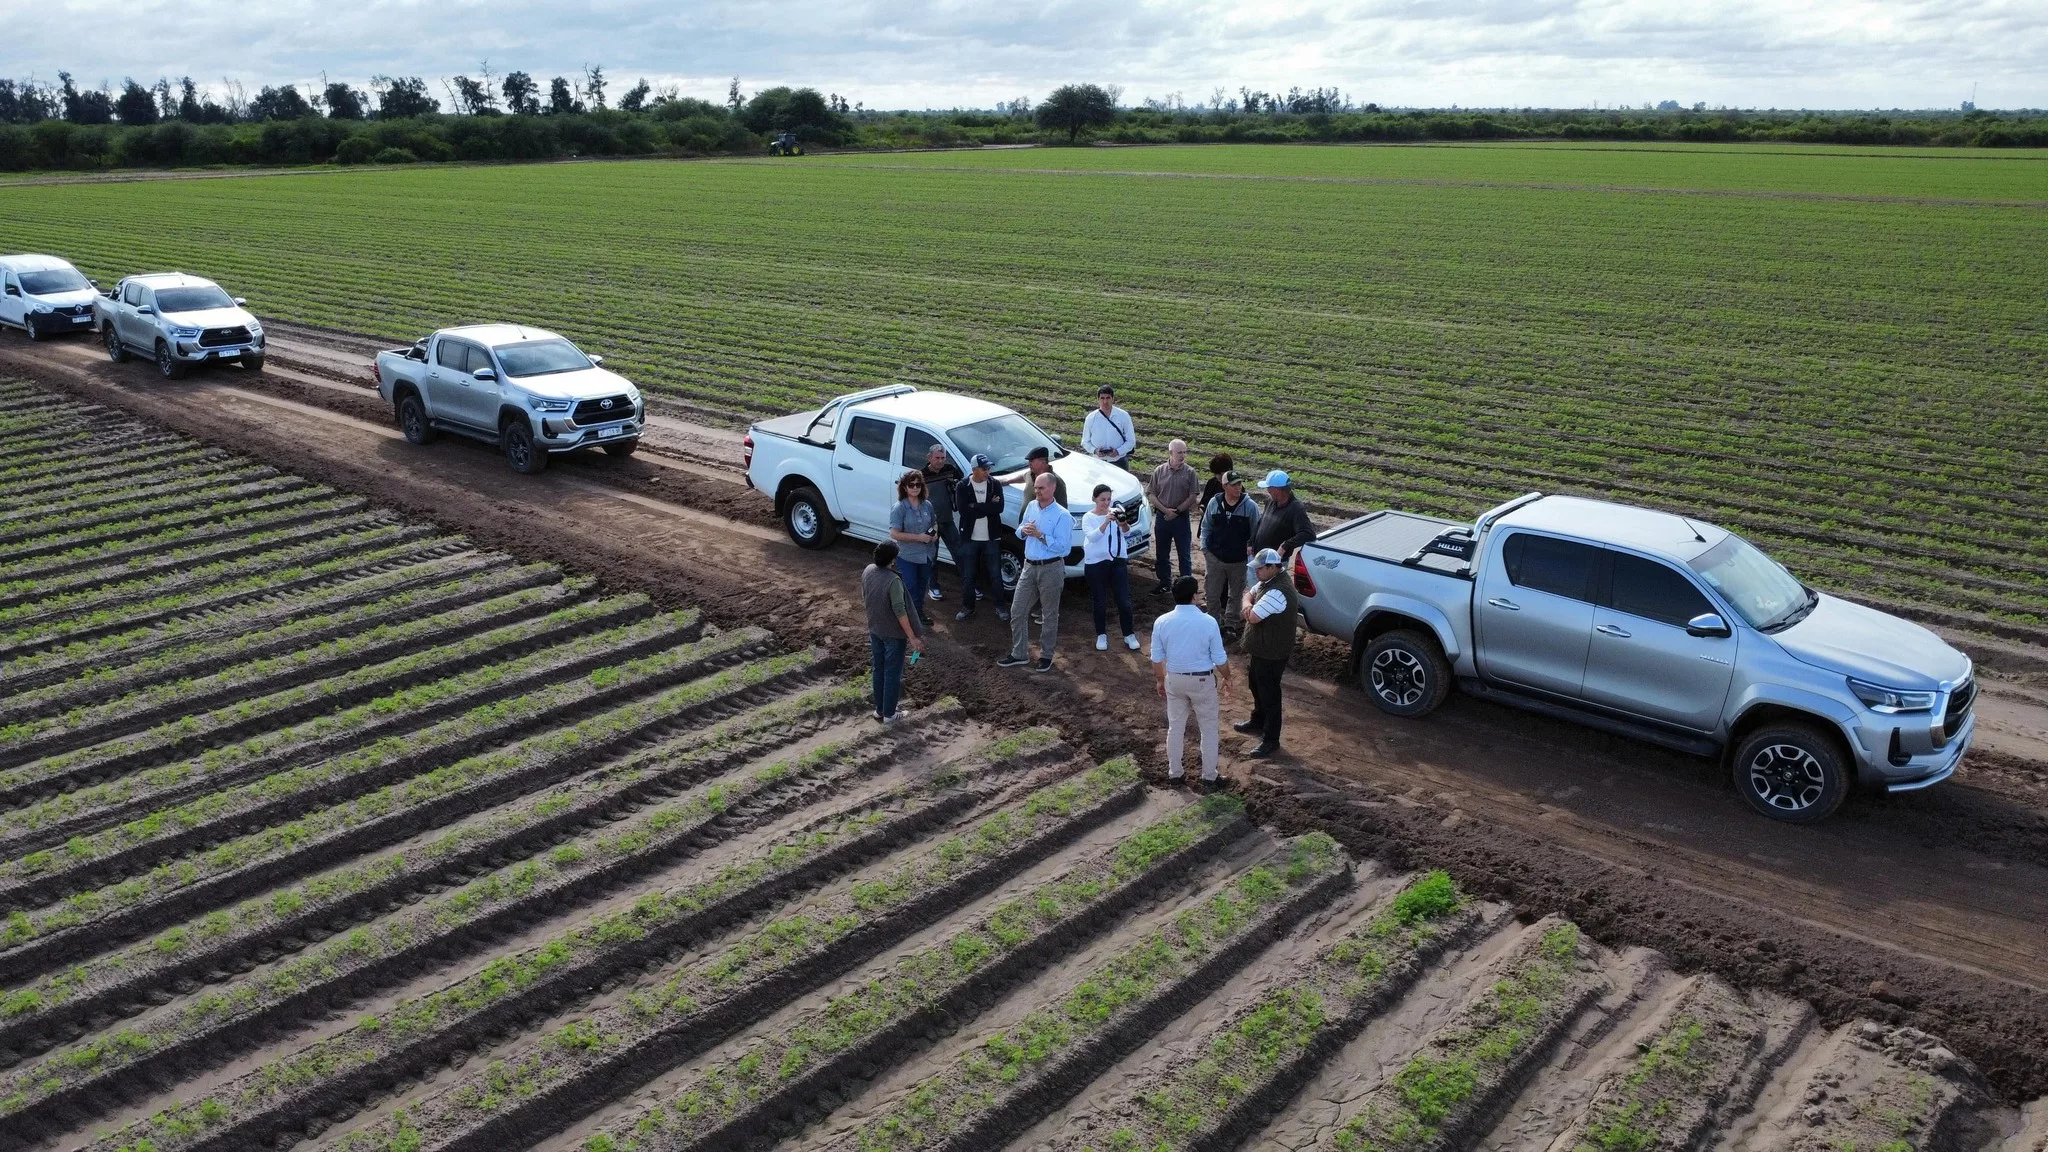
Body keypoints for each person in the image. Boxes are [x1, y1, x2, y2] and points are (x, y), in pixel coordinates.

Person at [1151, 575, 1232, 790]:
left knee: (1175, 728)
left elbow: (1156, 659)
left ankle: (1175, 774)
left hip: (1175, 680)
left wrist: (1160, 680)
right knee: (1208, 729)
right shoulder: (1208, 622)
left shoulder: (1162, 622)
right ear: (1195, 596)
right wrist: (1227, 676)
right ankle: (1209, 777)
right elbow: (1220, 658)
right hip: (1202, 681)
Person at [998, 471, 1072, 672]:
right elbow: (1020, 530)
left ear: (1052, 488)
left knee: (1049, 614)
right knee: (1017, 610)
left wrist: (1040, 535)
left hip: (1051, 568)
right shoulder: (1031, 506)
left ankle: (1046, 655)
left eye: (1041, 488)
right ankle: (1019, 653)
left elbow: (1064, 548)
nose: (1037, 491)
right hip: (1029, 566)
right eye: (1036, 487)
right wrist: (1023, 531)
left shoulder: (1063, 515)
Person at [1236, 548, 1298, 759]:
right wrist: (1248, 602)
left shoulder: (1277, 591)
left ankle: (1271, 739)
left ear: (1273, 567)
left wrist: (1247, 605)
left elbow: (1252, 617)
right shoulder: (1269, 581)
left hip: (1272, 652)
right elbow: (1248, 594)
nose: (1256, 572)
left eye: (1260, 568)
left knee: (1270, 694)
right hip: (1263, 649)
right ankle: (1258, 720)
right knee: (1255, 684)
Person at [861, 541, 923, 723]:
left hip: (875, 629)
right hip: (893, 635)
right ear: (893, 560)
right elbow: (900, 611)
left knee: (878, 669)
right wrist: (912, 637)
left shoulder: (868, 570)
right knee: (892, 673)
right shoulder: (893, 581)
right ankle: (889, 714)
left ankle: (880, 710)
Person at [1201, 470, 1260, 637]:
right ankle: (1213, 621)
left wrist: (1250, 553)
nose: (1238, 487)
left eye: (1239, 483)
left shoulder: (1250, 506)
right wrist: (1205, 549)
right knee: (1212, 593)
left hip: (1238, 560)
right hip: (1215, 558)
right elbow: (1206, 526)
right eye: (1234, 485)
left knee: (1235, 594)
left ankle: (1230, 625)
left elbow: (1256, 532)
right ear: (1224, 486)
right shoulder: (1214, 503)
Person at [1082, 483, 1139, 651]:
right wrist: (1106, 522)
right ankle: (1101, 635)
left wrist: (1123, 523)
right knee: (1100, 601)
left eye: (1108, 499)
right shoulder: (1088, 517)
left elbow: (1127, 532)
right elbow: (1092, 537)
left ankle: (1129, 634)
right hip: (1095, 563)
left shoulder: (1116, 513)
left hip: (1117, 561)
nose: (1106, 503)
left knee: (1124, 600)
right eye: (1102, 500)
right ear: (1094, 499)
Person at [953, 454, 1009, 622]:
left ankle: (1000, 607)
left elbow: (999, 508)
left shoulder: (994, 484)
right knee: (969, 575)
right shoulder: (962, 486)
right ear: (974, 470)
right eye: (984, 469)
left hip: (991, 537)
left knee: (995, 574)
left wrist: (976, 506)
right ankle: (968, 607)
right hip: (970, 538)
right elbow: (964, 511)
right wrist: (987, 507)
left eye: (988, 468)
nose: (987, 472)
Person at [1147, 438, 1200, 595]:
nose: (1182, 455)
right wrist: (1165, 510)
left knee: (1184, 554)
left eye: (1184, 452)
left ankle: (1186, 587)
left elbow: (1193, 496)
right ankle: (1165, 583)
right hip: (1162, 518)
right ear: (1171, 453)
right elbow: (1152, 494)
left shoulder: (1190, 472)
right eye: (1179, 452)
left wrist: (1176, 511)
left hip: (1181, 518)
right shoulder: (1159, 471)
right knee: (1162, 553)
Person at [888, 470, 939, 624]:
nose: (915, 487)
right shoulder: (899, 508)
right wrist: (918, 537)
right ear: (904, 487)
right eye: (911, 485)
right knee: (910, 586)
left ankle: (917, 613)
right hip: (907, 555)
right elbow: (894, 533)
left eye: (918, 484)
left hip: (926, 554)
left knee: (922, 586)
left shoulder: (927, 505)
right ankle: (905, 616)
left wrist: (934, 534)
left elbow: (934, 524)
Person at [921, 443, 963, 603]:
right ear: (929, 457)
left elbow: (962, 483)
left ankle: (969, 584)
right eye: (937, 458)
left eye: (943, 458)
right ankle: (933, 587)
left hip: (948, 520)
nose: (940, 461)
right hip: (930, 524)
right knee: (932, 556)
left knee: (959, 553)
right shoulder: (921, 476)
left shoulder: (950, 470)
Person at [1251, 470, 1317, 565]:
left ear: (1277, 490)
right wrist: (1251, 542)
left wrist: (1285, 546)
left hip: (1273, 564)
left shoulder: (1296, 508)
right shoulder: (1270, 501)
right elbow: (1261, 523)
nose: (1267, 490)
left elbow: (1308, 534)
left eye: (1269, 488)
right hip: (1258, 557)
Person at [1081, 385, 1136, 470]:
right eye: (1102, 398)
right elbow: (1085, 441)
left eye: (1108, 398)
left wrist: (1118, 452)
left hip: (1119, 462)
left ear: (1113, 399)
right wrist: (1095, 451)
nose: (1105, 401)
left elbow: (1131, 440)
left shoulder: (1123, 416)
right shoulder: (1091, 418)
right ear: (1098, 399)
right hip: (1097, 463)